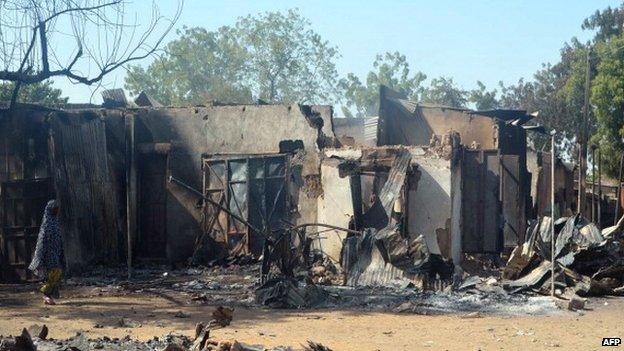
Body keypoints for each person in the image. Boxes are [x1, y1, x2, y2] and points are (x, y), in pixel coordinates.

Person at [29, 200, 65, 305]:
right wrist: (39, 256)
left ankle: (48, 295)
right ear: (50, 210)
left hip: (56, 252)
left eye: (57, 208)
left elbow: (58, 238)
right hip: (48, 253)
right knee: (54, 272)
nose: (57, 210)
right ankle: (46, 294)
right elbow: (41, 241)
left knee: (55, 273)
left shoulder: (55, 221)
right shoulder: (46, 223)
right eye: (55, 208)